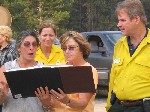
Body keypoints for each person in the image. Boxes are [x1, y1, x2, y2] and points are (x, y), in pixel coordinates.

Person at [35, 31, 98, 112]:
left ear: (82, 49)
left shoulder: (88, 70)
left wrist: (67, 101)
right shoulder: (58, 69)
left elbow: (82, 104)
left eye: (71, 48)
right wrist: (45, 100)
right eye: (64, 48)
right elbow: (51, 104)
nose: (67, 52)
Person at [106, 0, 150, 112]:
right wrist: (109, 106)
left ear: (136, 19)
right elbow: (113, 79)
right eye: (118, 20)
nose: (118, 24)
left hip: (143, 108)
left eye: (123, 20)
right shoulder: (119, 45)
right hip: (117, 106)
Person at [0, 30, 47, 112]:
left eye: (34, 44)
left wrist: (46, 101)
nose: (31, 48)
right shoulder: (6, 68)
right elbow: (1, 101)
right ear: (18, 47)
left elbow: (52, 104)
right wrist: (2, 95)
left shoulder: (43, 69)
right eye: (27, 44)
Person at [0, 25, 17, 112]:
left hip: (7, 83)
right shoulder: (0, 49)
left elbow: (12, 68)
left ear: (4, 37)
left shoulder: (11, 50)